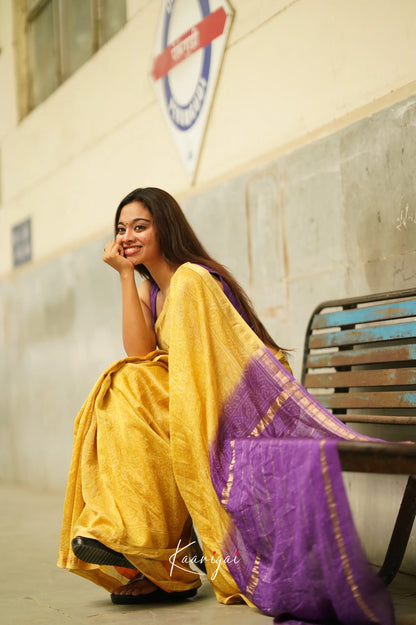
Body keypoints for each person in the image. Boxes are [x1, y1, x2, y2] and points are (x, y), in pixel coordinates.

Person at [58, 187, 394, 624]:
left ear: (166, 228)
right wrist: (125, 276)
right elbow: (141, 356)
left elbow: (215, 369)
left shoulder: (193, 280)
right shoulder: (151, 291)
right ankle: (146, 549)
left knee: (132, 392)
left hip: (235, 406)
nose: (128, 236)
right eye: (121, 229)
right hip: (187, 401)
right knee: (123, 386)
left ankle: (158, 557)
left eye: (140, 226)